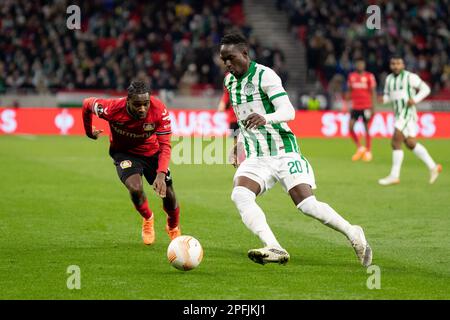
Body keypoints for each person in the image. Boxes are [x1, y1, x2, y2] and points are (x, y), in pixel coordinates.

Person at [220, 33, 372, 267]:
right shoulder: (230, 82)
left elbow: (288, 111)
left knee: (307, 205)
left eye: (230, 58)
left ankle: (353, 232)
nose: (227, 64)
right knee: (240, 194)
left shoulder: (265, 75)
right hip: (256, 155)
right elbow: (242, 118)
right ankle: (274, 246)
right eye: (223, 60)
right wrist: (237, 143)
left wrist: (266, 118)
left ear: (245, 54)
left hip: (283, 150)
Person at [81, 80, 181, 245]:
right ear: (128, 102)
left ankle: (173, 226)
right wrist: (88, 131)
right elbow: (86, 104)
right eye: (137, 105)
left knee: (169, 195)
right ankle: (148, 218)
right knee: (135, 188)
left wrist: (161, 174)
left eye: (145, 104)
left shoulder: (159, 110)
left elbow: (165, 145)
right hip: (124, 154)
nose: (142, 108)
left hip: (152, 153)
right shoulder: (111, 108)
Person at [378, 56, 442, 185]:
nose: (396, 66)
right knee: (410, 143)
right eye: (393, 63)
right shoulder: (389, 79)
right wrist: (383, 99)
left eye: (398, 63)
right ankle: (433, 167)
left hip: (407, 113)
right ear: (390, 65)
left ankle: (394, 176)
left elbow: (426, 89)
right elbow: (389, 96)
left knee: (395, 142)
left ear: (403, 65)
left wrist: (416, 99)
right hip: (398, 114)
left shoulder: (410, 77)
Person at [346, 58, 377, 162]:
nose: (360, 66)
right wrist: (347, 105)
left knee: (366, 128)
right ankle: (360, 147)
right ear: (356, 65)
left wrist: (373, 107)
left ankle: (368, 151)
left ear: (364, 65)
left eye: (362, 64)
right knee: (350, 127)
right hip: (355, 106)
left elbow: (373, 92)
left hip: (366, 106)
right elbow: (349, 92)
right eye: (358, 64)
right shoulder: (351, 76)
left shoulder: (369, 76)